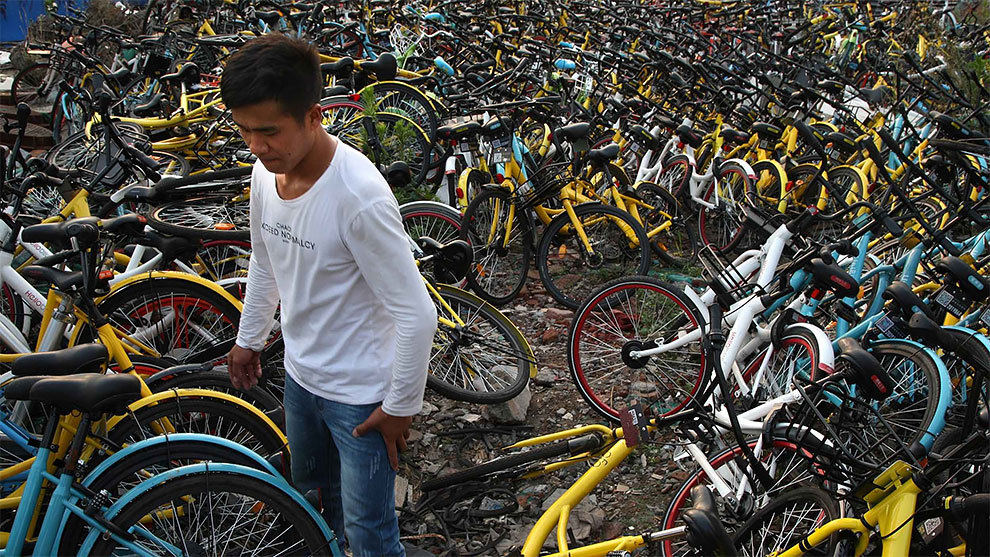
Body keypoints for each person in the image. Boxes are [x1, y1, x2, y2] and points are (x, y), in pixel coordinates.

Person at [221, 33, 437, 557]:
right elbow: (265, 259)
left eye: (269, 131)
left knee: (370, 531)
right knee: (317, 503)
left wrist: (400, 406)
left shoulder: (357, 196)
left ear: (313, 115)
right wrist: (249, 339)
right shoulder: (263, 174)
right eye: (245, 131)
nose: (256, 145)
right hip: (300, 378)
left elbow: (417, 313)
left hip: (360, 395)